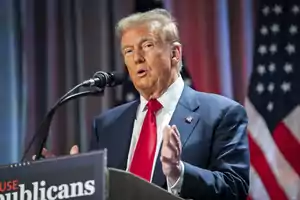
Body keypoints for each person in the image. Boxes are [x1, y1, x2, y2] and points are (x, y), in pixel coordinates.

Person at [41, 8, 250, 200]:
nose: (137, 58)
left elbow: (235, 188)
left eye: (147, 45)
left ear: (175, 54)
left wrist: (179, 172)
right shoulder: (107, 125)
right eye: (128, 51)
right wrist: (72, 180)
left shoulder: (222, 114)